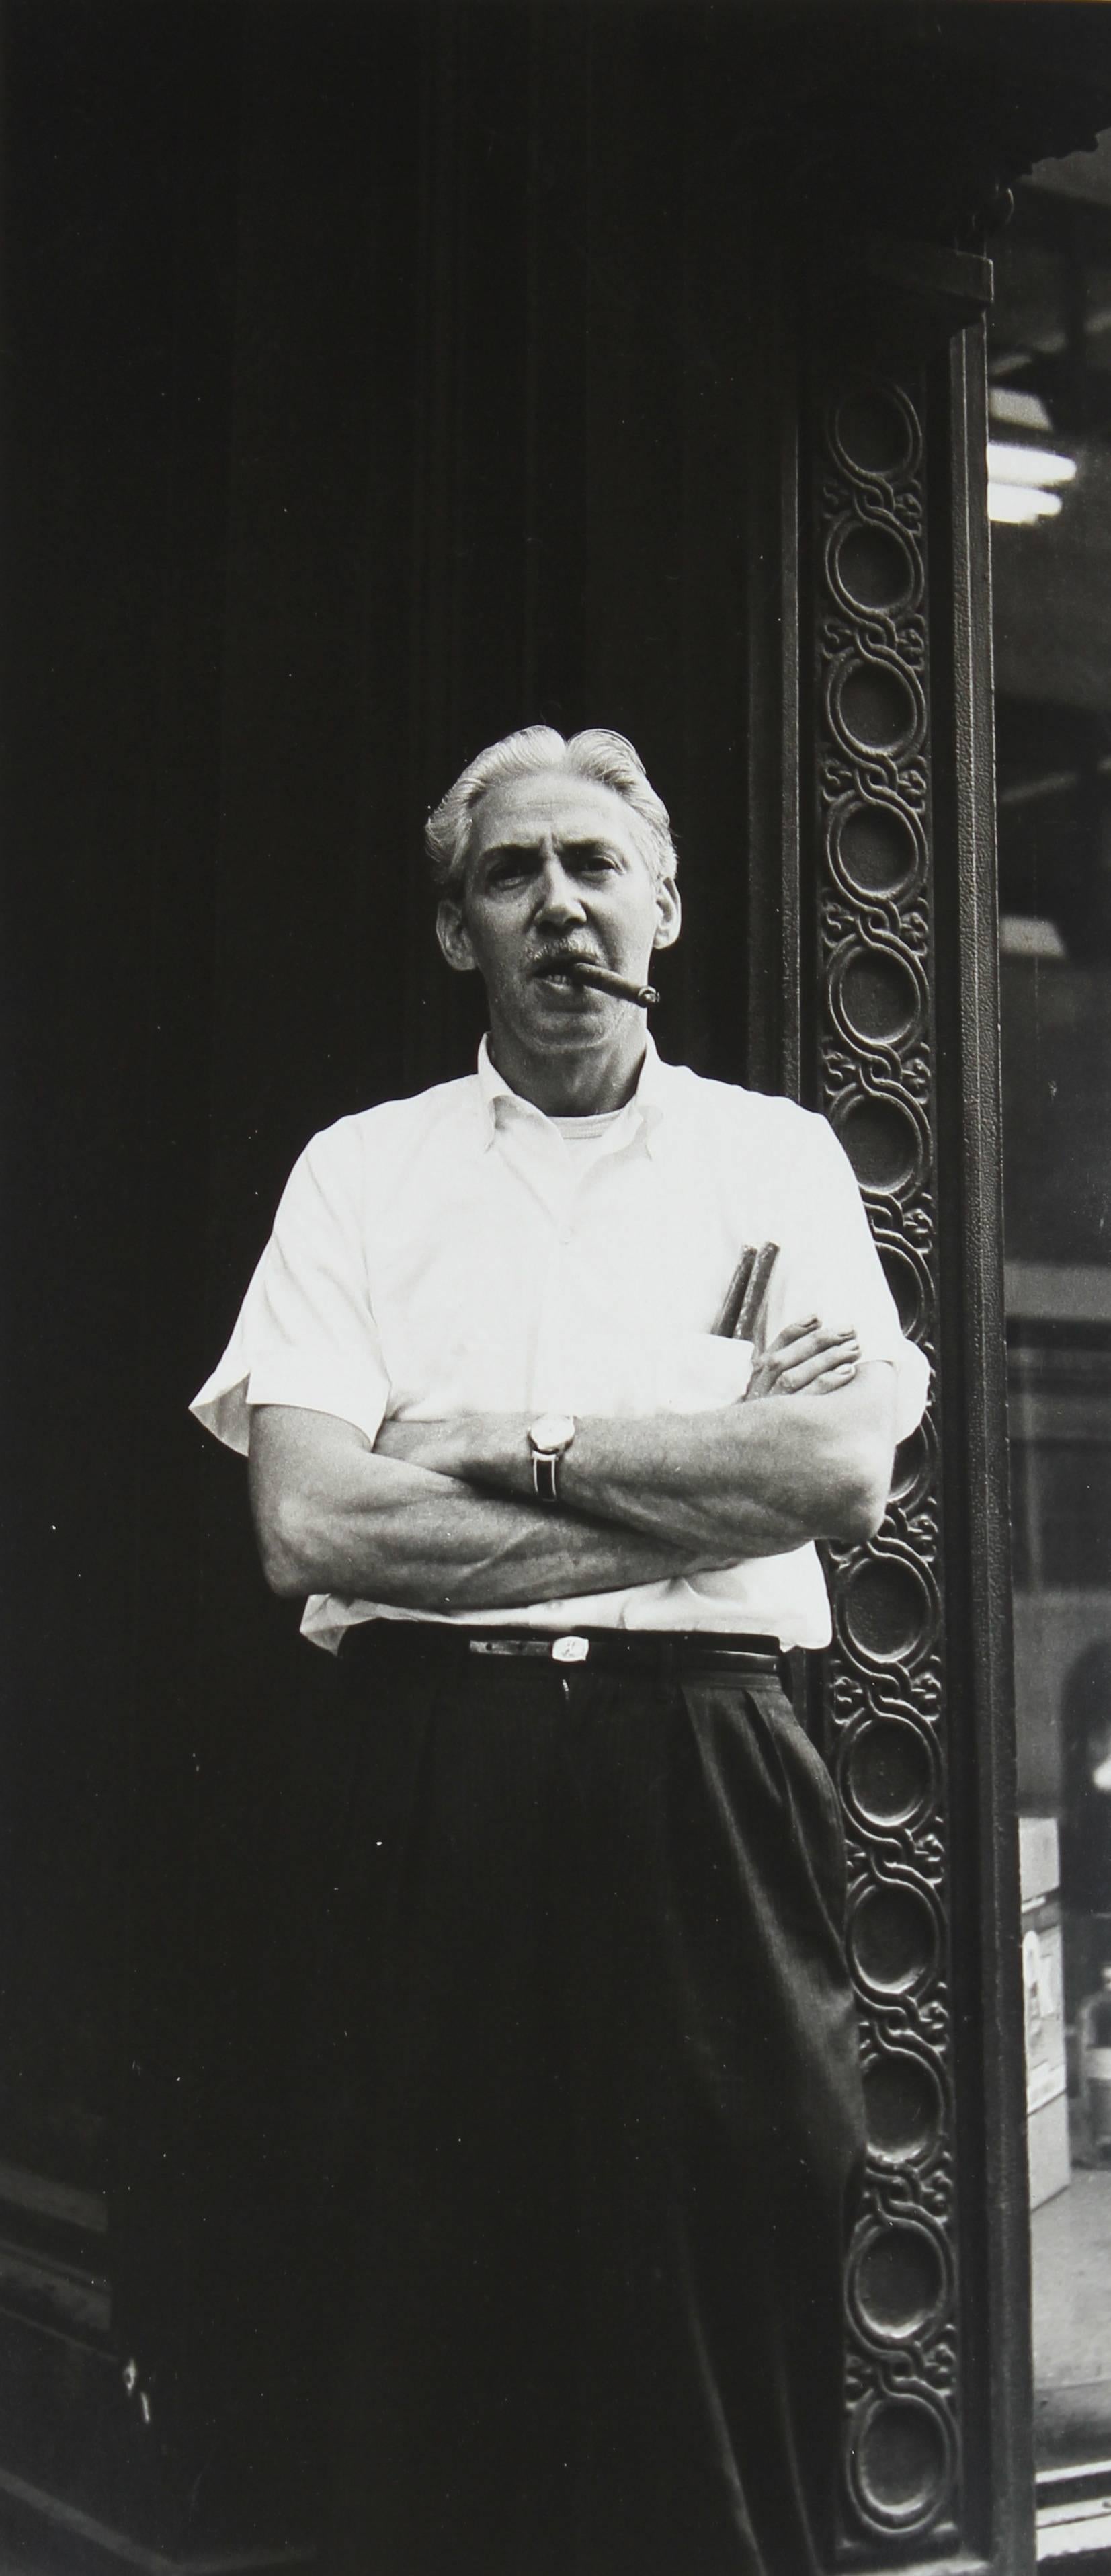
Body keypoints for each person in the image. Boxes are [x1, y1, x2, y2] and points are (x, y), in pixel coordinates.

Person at [191, 726, 928, 2576]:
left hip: (706, 1778)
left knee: (722, 2303)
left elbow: (833, 1472)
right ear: (460, 934)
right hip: (427, 1779)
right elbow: (311, 1524)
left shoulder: (777, 1162)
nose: (561, 910)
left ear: (663, 909)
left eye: (597, 868)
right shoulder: (361, 1176)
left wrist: (505, 1447)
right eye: (512, 877)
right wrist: (687, 1497)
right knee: (417, 2321)